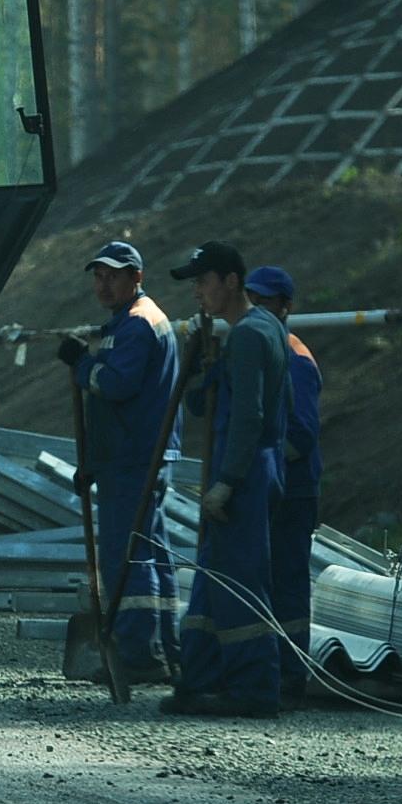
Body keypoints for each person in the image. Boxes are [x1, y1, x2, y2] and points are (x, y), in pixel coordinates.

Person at [162, 240, 289, 719]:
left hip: (246, 471)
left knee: (239, 583)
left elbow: (250, 417)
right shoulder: (252, 332)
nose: (197, 292)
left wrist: (228, 481)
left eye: (203, 281)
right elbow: (200, 404)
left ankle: (254, 689)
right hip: (249, 467)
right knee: (214, 577)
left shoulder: (252, 335)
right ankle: (201, 678)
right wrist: (202, 363)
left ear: (231, 282)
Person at [57, 241, 181, 684]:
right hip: (134, 453)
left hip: (134, 456)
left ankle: (138, 654)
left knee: (126, 556)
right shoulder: (129, 322)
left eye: (113, 275)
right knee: (152, 552)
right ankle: (166, 647)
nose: (104, 283)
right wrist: (93, 460)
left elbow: (115, 385)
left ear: (136, 278)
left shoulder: (135, 325)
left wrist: (82, 365)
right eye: (98, 275)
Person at [246, 264, 322, 705]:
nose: (257, 307)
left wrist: (266, 465)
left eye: (266, 301)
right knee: (271, 578)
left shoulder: (293, 358)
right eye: (252, 299)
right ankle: (274, 665)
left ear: (286, 307)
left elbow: (302, 433)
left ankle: (292, 672)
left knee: (289, 581)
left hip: (293, 490)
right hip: (277, 485)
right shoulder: (270, 349)